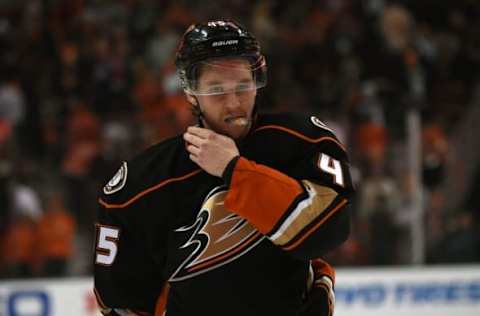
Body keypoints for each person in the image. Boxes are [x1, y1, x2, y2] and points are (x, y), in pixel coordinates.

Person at [94, 20, 354, 316]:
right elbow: (120, 303)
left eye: (243, 86)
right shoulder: (140, 184)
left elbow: (329, 230)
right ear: (191, 93)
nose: (233, 102)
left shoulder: (303, 142)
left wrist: (235, 170)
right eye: (216, 89)